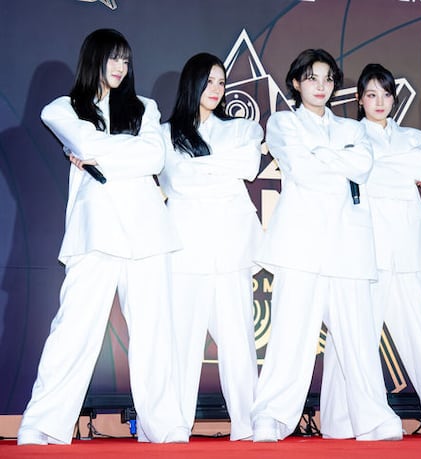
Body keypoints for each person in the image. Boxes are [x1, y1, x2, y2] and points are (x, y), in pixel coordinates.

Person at [17, 28, 187, 445]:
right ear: (93, 58)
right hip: (94, 231)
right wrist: (109, 150)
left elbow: (154, 157)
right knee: (73, 329)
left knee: (153, 332)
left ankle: (163, 425)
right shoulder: (63, 108)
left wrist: (96, 155)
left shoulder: (145, 108)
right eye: (113, 58)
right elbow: (83, 139)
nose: (120, 67)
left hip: (148, 232)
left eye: (125, 60)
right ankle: (43, 424)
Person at [250, 49, 403, 442]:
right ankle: (271, 417)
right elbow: (302, 170)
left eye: (328, 79)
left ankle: (371, 418)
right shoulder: (283, 122)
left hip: (348, 245)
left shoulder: (353, 129)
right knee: (290, 337)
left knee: (358, 340)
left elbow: (362, 167)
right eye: (312, 78)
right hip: (301, 245)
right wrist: (338, 161)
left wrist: (323, 155)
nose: (321, 86)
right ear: (296, 82)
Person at [319, 63, 421, 439]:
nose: (379, 102)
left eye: (386, 94)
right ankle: (338, 421)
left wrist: (377, 166)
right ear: (359, 99)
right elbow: (359, 170)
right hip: (365, 249)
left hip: (409, 249)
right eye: (371, 94)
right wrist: (390, 169)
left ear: (394, 99)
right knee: (352, 338)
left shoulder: (417, 138)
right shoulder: (347, 135)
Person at [157, 52, 263, 440]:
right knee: (182, 340)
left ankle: (248, 424)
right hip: (185, 247)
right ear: (192, 83)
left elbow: (248, 167)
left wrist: (198, 167)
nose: (216, 89)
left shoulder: (243, 129)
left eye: (222, 82)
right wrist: (220, 169)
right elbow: (176, 181)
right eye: (209, 81)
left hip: (231, 246)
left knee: (238, 340)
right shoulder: (165, 134)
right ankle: (174, 424)